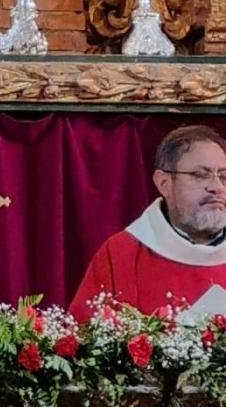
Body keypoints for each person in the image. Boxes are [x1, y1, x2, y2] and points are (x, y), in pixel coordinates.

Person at [69, 124, 226, 320]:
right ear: (164, 183)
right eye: (200, 175)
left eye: (224, 176)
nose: (217, 187)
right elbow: (85, 332)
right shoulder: (121, 254)